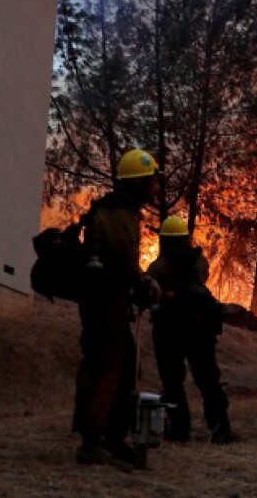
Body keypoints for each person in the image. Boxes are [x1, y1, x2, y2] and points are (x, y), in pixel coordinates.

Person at [73, 149, 161, 469]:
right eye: (151, 181)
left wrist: (140, 282)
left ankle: (111, 437)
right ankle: (92, 442)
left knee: (122, 368)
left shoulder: (115, 210)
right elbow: (121, 263)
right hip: (106, 300)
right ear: (138, 182)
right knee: (109, 367)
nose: (155, 188)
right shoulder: (120, 215)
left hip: (103, 299)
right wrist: (142, 285)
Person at [147, 215, 234, 444]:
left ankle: (178, 430)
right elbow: (203, 281)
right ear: (186, 238)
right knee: (208, 381)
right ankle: (220, 429)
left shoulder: (157, 268)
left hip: (168, 330)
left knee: (173, 381)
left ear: (163, 240)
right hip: (199, 328)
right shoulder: (199, 262)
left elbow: (151, 293)